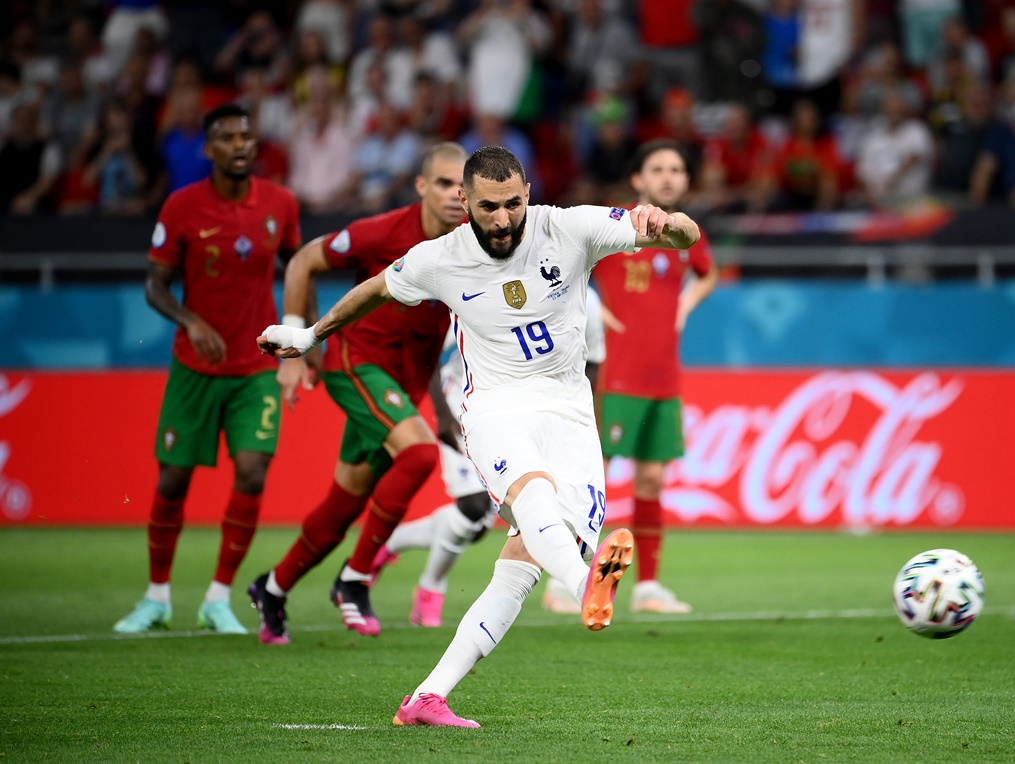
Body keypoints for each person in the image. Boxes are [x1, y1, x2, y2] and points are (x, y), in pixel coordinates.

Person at [258, 146, 699, 727]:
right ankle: (584, 581)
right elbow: (372, 290)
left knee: (519, 567)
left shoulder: (568, 226)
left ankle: (427, 697)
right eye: (488, 206)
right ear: (464, 201)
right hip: (496, 408)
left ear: (528, 193)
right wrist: (311, 335)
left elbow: (686, 238)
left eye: (514, 203)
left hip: (570, 414)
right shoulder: (439, 258)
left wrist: (663, 221)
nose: (503, 218)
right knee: (533, 494)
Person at [246, 142, 470, 645]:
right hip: (355, 363)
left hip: (402, 384)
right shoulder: (384, 232)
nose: (455, 194)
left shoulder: (468, 243)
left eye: (462, 184)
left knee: (343, 505)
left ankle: (273, 589)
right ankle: (355, 579)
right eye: (442, 183)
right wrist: (298, 344)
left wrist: (436, 406)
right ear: (420, 186)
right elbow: (304, 260)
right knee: (417, 456)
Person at [113, 103, 302, 635]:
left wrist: (297, 336)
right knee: (172, 481)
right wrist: (190, 320)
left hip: (256, 366)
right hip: (195, 367)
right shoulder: (182, 206)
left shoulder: (280, 203)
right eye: (227, 137)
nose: (240, 144)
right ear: (209, 148)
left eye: (246, 135)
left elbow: (297, 268)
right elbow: (155, 284)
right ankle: (156, 598)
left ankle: (218, 597)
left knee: (252, 471)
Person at [369, 285, 608, 627]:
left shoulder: (589, 303)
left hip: (537, 414)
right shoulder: (496, 287)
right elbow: (433, 352)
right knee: (474, 507)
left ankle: (390, 542)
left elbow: (593, 364)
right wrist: (442, 414)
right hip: (470, 405)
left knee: (478, 522)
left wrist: (583, 424)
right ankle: (430, 590)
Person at [546, 139, 716, 615]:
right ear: (638, 179)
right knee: (587, 477)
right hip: (614, 375)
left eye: (677, 169)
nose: (668, 177)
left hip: (664, 377)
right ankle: (565, 580)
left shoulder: (684, 236)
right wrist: (590, 309)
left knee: (651, 480)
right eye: (657, 168)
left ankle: (648, 588)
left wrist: (685, 304)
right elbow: (564, 267)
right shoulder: (617, 225)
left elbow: (708, 272)